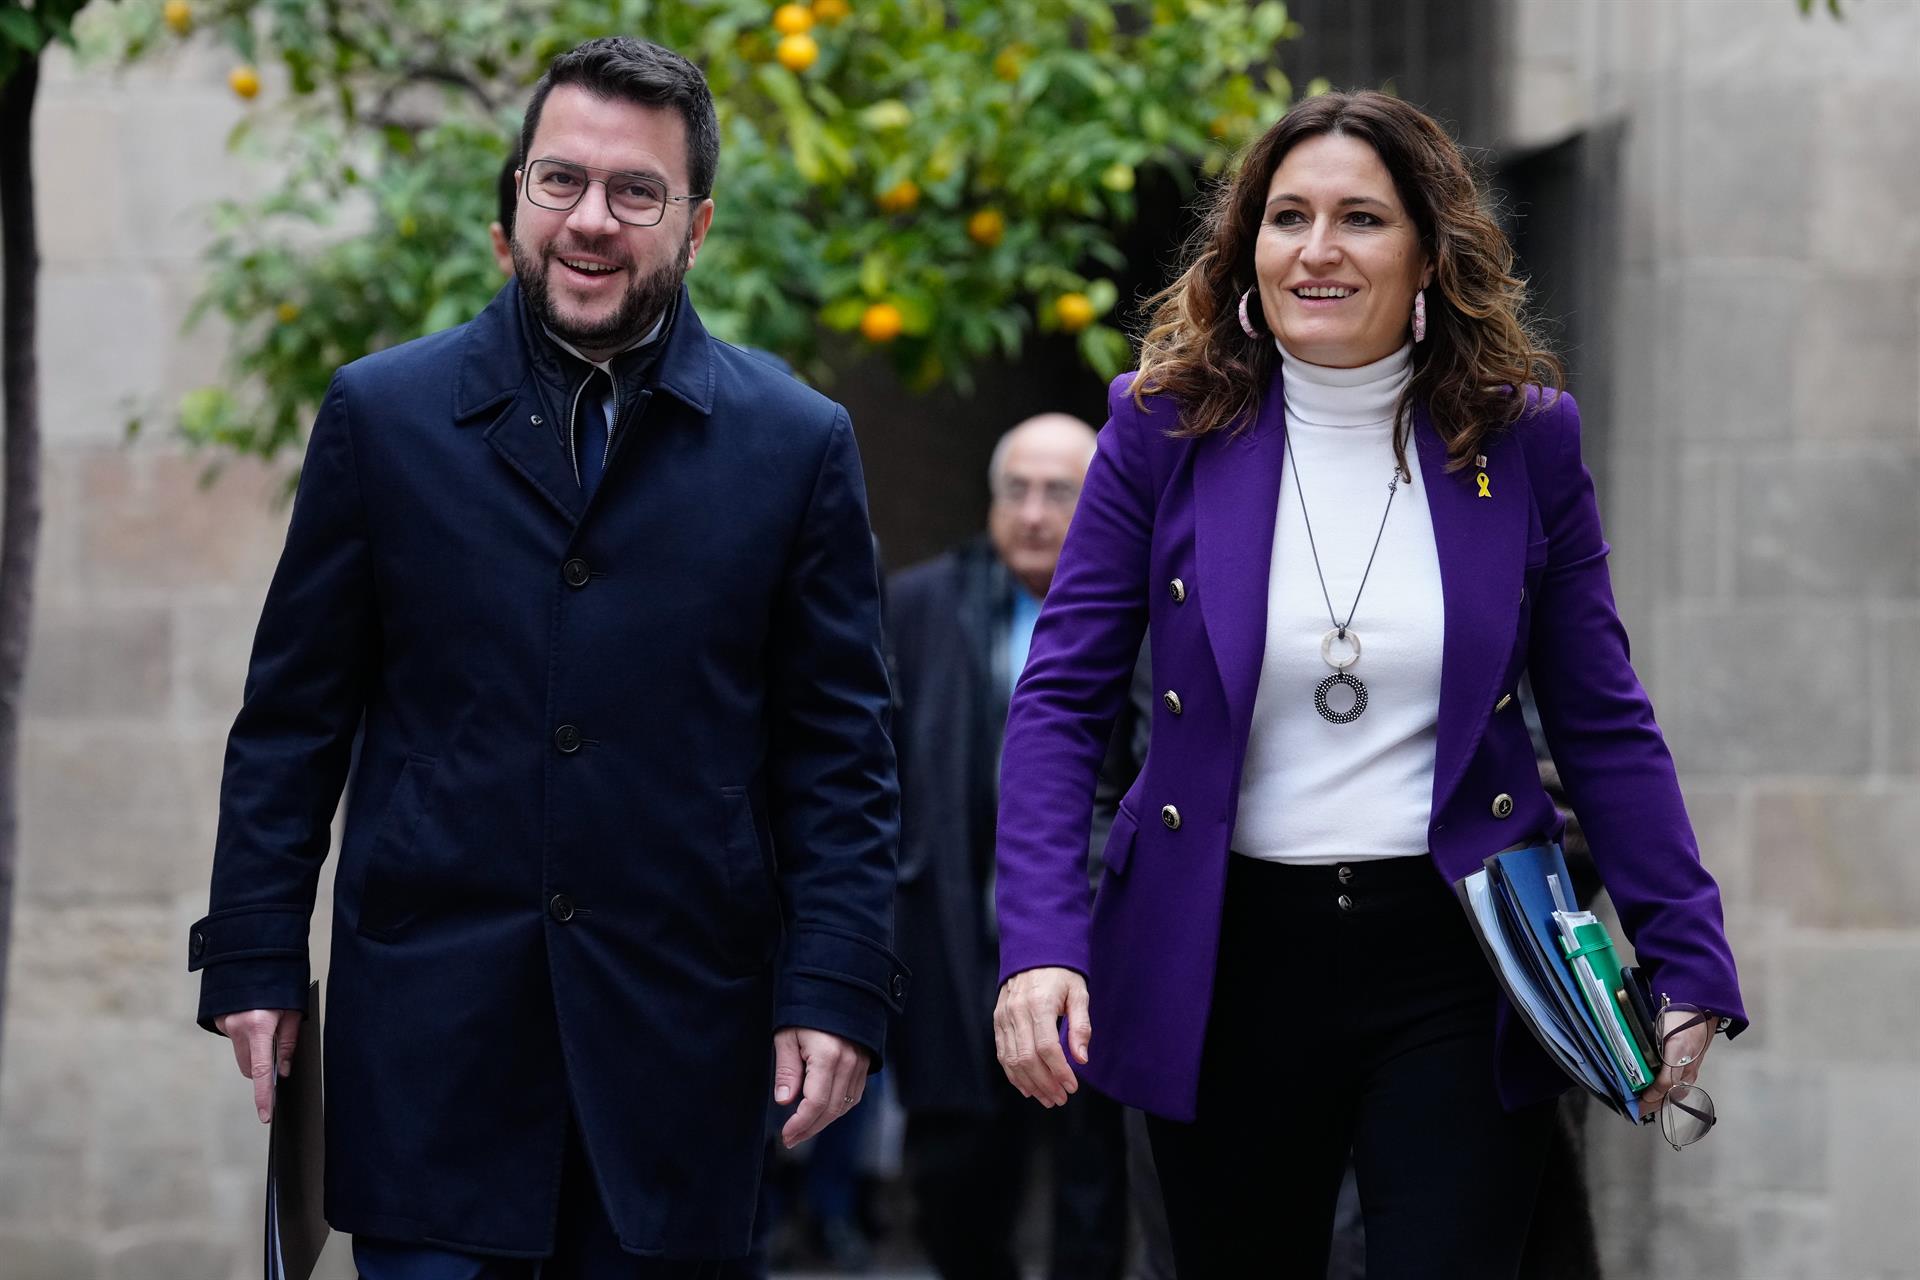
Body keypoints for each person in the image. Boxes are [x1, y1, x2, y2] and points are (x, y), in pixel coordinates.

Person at [989, 90, 1746, 1278]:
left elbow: (1602, 716)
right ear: (1249, 248)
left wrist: (1686, 949)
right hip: (1219, 954)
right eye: (1288, 215)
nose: (1318, 248)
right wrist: (1041, 939)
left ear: (1431, 253)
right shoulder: (1162, 426)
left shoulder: (1525, 439)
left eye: (1360, 217)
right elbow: (1062, 698)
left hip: (1454, 954)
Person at [187, 36, 906, 1278]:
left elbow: (841, 754)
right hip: (431, 1046)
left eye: (637, 193)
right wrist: (254, 948)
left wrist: (839, 982)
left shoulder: (796, 444)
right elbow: (291, 718)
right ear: (513, 198)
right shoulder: (383, 416)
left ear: (698, 225)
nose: (592, 220)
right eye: (560, 181)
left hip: (681, 1054)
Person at [887, 415, 1135, 1280]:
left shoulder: (1142, 605)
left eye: (1058, 493)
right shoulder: (923, 604)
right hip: (955, 949)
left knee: (1094, 1186)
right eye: (1015, 491)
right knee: (956, 1187)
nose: (1032, 514)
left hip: (1102, 959)